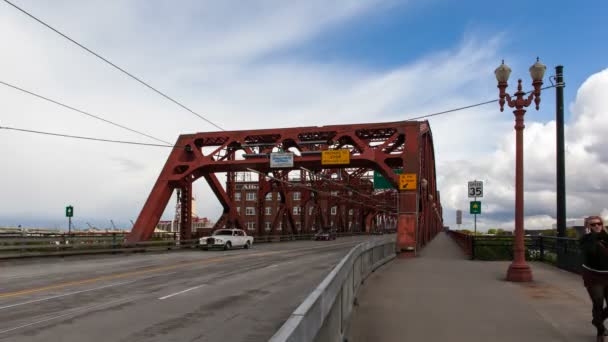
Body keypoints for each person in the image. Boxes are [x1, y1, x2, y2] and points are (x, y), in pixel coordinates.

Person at [580, 215, 608, 341]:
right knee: (598, 302)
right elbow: (591, 252)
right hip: (593, 275)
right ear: (588, 227)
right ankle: (600, 331)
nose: (597, 226)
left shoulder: (606, 237)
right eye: (593, 224)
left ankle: (597, 320)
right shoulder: (585, 239)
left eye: (599, 223)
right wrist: (593, 235)